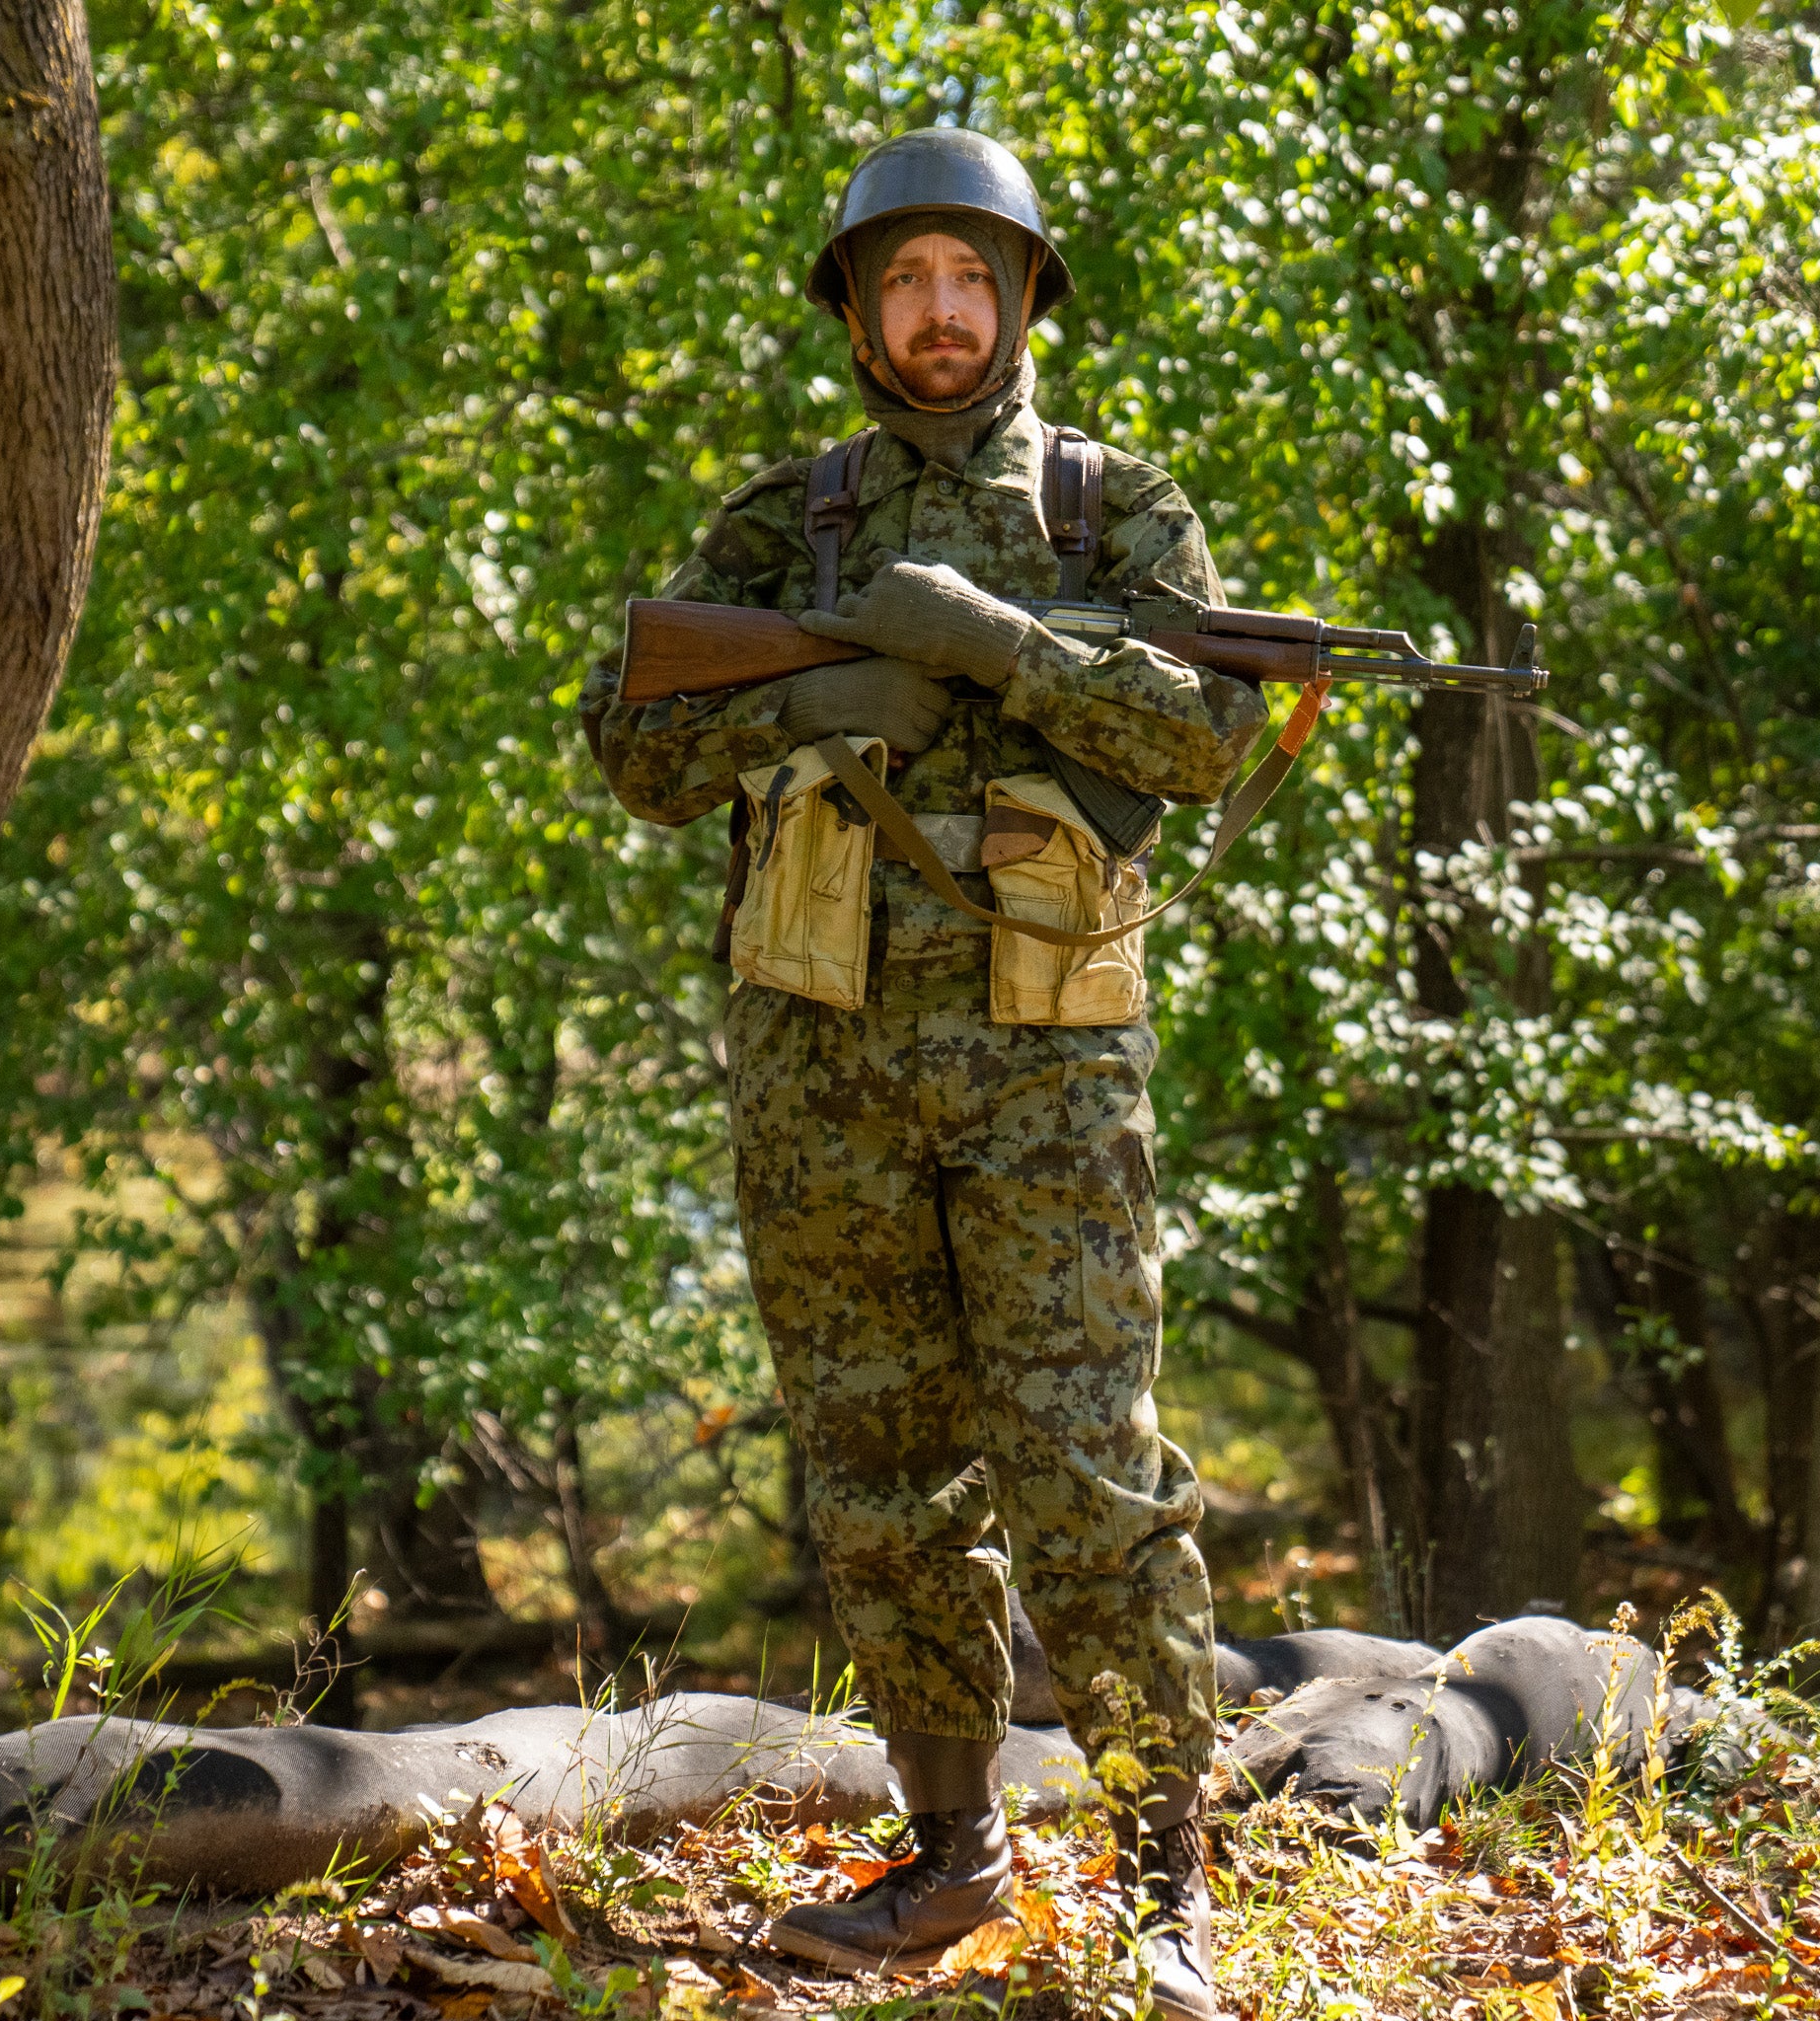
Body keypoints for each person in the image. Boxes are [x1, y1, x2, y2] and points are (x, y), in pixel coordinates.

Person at [579, 127, 1266, 2021]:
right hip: (824, 1066)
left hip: (1051, 1065)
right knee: (880, 1479)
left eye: (973, 278)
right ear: (863, 313)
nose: (940, 313)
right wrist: (808, 699)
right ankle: (952, 1860)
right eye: (906, 282)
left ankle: (1159, 1893)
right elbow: (630, 749)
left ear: (1025, 296)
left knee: (1091, 1483)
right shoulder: (778, 527)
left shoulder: (1117, 512)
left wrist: (999, 649)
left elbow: (1209, 734)